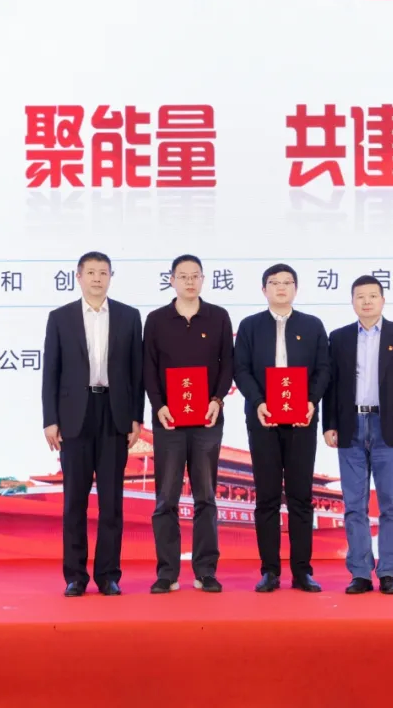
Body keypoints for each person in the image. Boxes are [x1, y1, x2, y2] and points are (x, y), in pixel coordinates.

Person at [41, 251, 144, 597]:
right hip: (74, 416)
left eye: (103, 272)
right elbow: (51, 372)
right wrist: (50, 419)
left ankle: (108, 575)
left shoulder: (129, 317)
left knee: (112, 502)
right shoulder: (60, 318)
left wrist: (136, 417)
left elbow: (137, 373)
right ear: (78, 276)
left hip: (115, 414)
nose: (97, 278)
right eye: (91, 272)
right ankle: (75, 576)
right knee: (75, 501)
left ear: (111, 276)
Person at [322, 275, 393, 595]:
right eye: (360, 296)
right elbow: (331, 385)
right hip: (350, 426)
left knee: (390, 504)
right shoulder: (339, 338)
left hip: (389, 428)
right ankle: (361, 573)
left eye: (372, 296)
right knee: (354, 505)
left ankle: (389, 572)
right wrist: (329, 424)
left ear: (382, 300)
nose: (366, 302)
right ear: (352, 302)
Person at [233, 263, 330, 593]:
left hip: (302, 420)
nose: (281, 287)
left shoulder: (312, 325)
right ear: (264, 290)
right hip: (263, 420)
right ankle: (270, 570)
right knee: (267, 497)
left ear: (296, 289)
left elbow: (324, 369)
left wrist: (311, 401)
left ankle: (302, 571)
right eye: (274, 282)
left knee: (301, 497)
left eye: (287, 282)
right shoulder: (250, 326)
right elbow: (241, 369)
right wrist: (259, 401)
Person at [143, 254, 234, 594]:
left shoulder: (218, 316)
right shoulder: (156, 320)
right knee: (165, 497)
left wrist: (217, 400)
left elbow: (228, 364)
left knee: (205, 496)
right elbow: (148, 367)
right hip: (168, 420)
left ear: (203, 279)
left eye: (196, 275)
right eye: (183, 276)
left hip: (207, 419)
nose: (190, 281)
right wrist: (159, 406)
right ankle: (167, 572)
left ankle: (206, 571)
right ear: (171, 280)